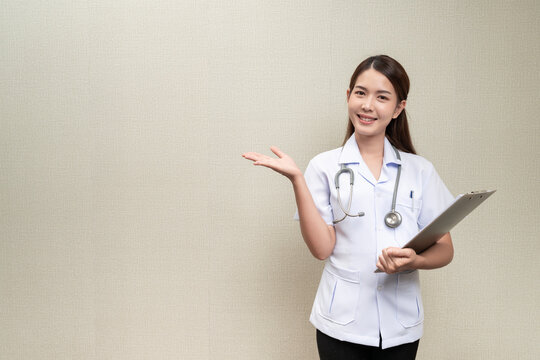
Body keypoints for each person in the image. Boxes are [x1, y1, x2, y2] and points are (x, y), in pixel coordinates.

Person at [242, 55, 454, 360]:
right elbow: (321, 249)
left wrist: (413, 262)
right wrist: (297, 180)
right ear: (348, 96)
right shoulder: (324, 166)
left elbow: (445, 249)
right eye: (360, 93)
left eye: (382, 97)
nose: (368, 105)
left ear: (398, 108)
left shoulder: (419, 170)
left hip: (401, 325)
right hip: (341, 324)